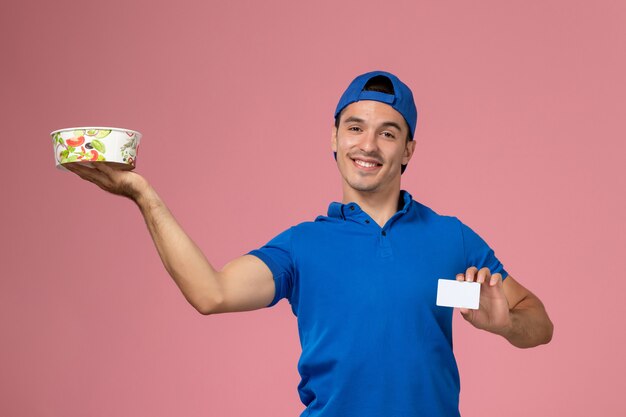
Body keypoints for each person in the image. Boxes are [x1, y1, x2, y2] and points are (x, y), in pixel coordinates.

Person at [66, 70, 553, 417]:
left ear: (408, 150)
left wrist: (505, 324)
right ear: (335, 139)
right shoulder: (302, 246)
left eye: (388, 133)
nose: (368, 145)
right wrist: (142, 194)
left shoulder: (451, 236)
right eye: (355, 128)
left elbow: (540, 323)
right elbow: (210, 292)